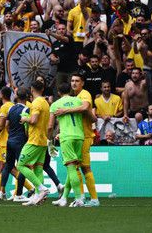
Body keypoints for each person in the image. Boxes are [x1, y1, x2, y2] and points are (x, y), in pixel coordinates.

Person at [54, 73, 100, 206]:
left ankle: (94, 199)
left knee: (85, 168)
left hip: (85, 136)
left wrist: (65, 110)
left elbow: (85, 107)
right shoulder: (74, 98)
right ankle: (80, 197)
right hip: (76, 135)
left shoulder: (84, 94)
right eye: (72, 81)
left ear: (82, 83)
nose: (74, 83)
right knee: (75, 167)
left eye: (77, 81)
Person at [48, 83, 86, 207]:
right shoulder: (78, 101)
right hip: (79, 136)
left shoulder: (55, 104)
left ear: (58, 92)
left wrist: (49, 140)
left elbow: (50, 126)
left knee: (71, 168)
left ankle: (78, 199)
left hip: (67, 138)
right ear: (70, 90)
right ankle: (64, 198)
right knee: (73, 168)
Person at [17, 81, 51, 206]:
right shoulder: (45, 102)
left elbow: (34, 120)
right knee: (38, 168)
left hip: (35, 140)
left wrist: (25, 118)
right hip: (43, 139)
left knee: (20, 165)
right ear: (42, 89)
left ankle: (41, 188)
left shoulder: (36, 103)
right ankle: (37, 196)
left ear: (31, 89)